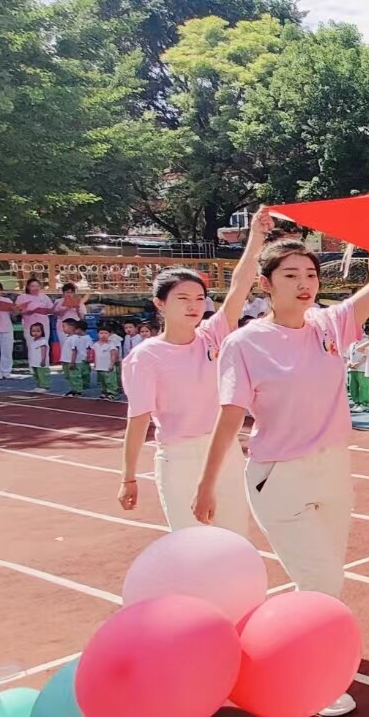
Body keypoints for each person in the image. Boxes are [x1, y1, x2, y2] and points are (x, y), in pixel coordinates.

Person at [194, 187, 369, 717]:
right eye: (291, 275)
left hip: (333, 469)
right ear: (265, 285)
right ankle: (316, 680)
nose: (305, 284)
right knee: (321, 579)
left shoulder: (330, 325)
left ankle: (294, 648)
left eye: (310, 275)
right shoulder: (244, 344)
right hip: (276, 477)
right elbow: (230, 417)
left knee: (330, 577)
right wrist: (207, 484)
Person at [119, 212, 265, 531]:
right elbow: (138, 419)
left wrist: (254, 239)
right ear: (160, 303)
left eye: (199, 299)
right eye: (182, 298)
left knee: (234, 536)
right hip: (179, 458)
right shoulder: (145, 357)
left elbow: (239, 286)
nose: (193, 305)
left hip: (224, 453)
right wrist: (129, 477)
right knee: (191, 542)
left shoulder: (212, 334)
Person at [15, 279, 54, 372]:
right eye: (32, 286)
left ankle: (45, 365)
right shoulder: (22, 297)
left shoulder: (44, 297)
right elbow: (16, 311)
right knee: (32, 345)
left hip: (43, 324)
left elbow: (52, 310)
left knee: (44, 344)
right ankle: (33, 367)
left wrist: (44, 310)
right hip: (30, 324)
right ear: (28, 287)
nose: (35, 288)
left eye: (37, 286)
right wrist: (27, 311)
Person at [89, 323, 122, 400]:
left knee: (110, 381)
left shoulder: (111, 344)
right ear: (98, 334)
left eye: (106, 333)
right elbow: (94, 355)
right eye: (101, 333)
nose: (103, 335)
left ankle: (113, 393)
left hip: (108, 366)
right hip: (99, 366)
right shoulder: (95, 344)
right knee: (102, 381)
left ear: (109, 334)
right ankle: (104, 392)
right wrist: (94, 363)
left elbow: (113, 355)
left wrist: (111, 364)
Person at [26, 322, 51, 392]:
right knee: (36, 375)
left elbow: (44, 351)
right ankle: (39, 386)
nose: (35, 333)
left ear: (42, 332)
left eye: (38, 331)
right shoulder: (32, 342)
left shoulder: (42, 341)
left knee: (42, 375)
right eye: (33, 331)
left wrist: (43, 360)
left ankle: (45, 386)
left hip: (41, 362)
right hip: (34, 362)